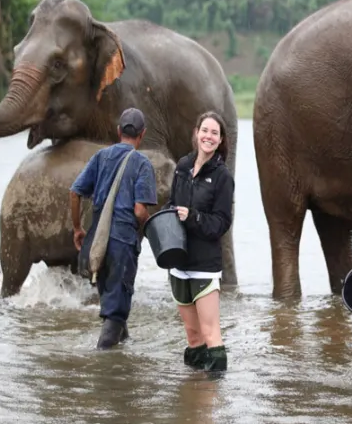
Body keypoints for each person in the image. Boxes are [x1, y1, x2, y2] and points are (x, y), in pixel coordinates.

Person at [70, 107, 158, 349]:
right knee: (116, 312)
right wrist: (153, 228)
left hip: (97, 244)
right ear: (142, 134)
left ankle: (124, 350)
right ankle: (103, 370)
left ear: (119, 131)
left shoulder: (101, 157)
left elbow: (75, 192)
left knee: (113, 301)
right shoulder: (141, 163)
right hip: (122, 244)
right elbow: (140, 210)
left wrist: (78, 229)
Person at [165, 111, 234, 372]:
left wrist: (192, 217)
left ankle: (214, 399)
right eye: (204, 130)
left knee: (210, 332)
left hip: (204, 265)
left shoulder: (222, 177)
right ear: (196, 133)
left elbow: (221, 223)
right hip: (178, 261)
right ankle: (193, 394)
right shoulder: (182, 166)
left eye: (214, 133)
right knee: (193, 335)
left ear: (220, 140)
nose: (208, 136)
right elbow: (173, 203)